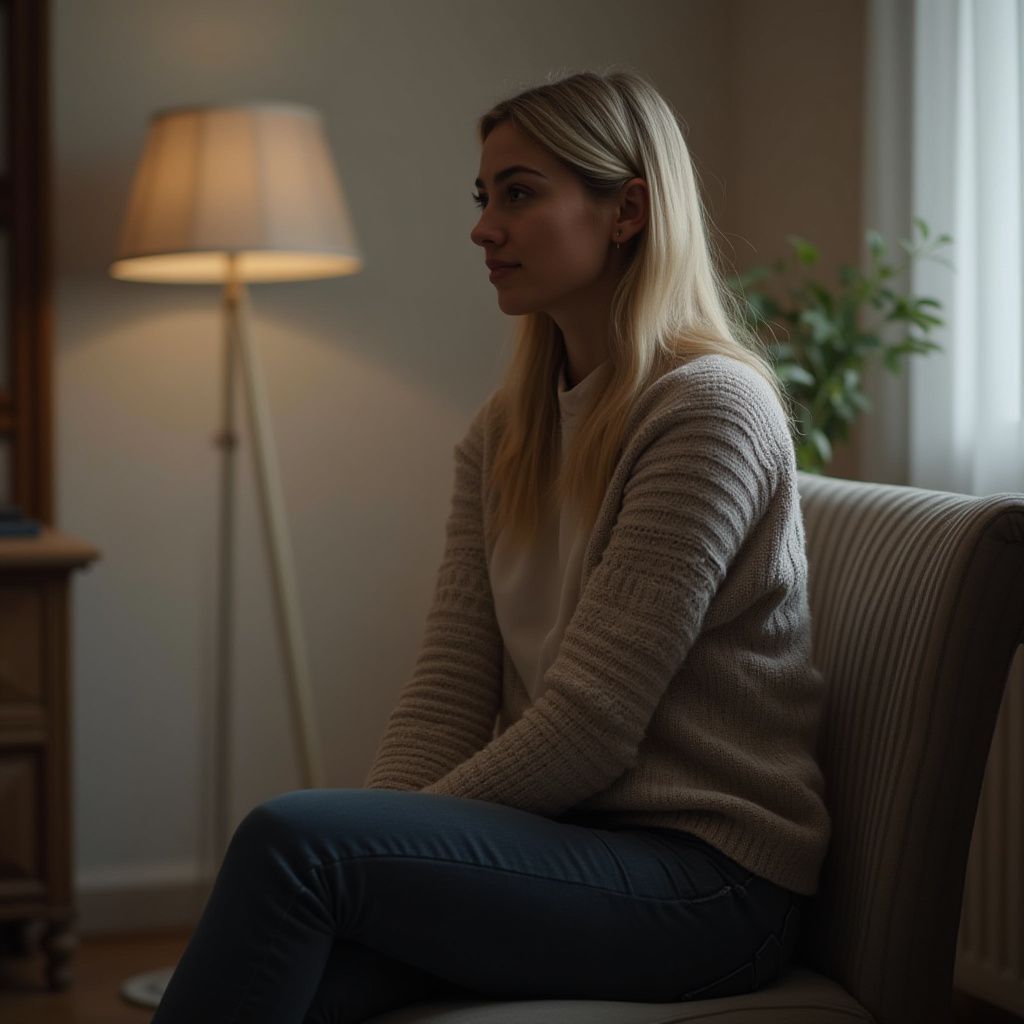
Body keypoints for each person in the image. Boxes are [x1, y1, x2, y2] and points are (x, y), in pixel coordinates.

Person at [151, 68, 831, 1024]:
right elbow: (445, 694)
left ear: (628, 209)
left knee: (293, 841)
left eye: (519, 194)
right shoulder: (504, 432)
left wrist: (379, 848)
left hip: (707, 886)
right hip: (560, 848)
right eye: (485, 197)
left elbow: (590, 726)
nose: (483, 228)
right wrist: (387, 846)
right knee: (306, 971)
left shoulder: (710, 412)